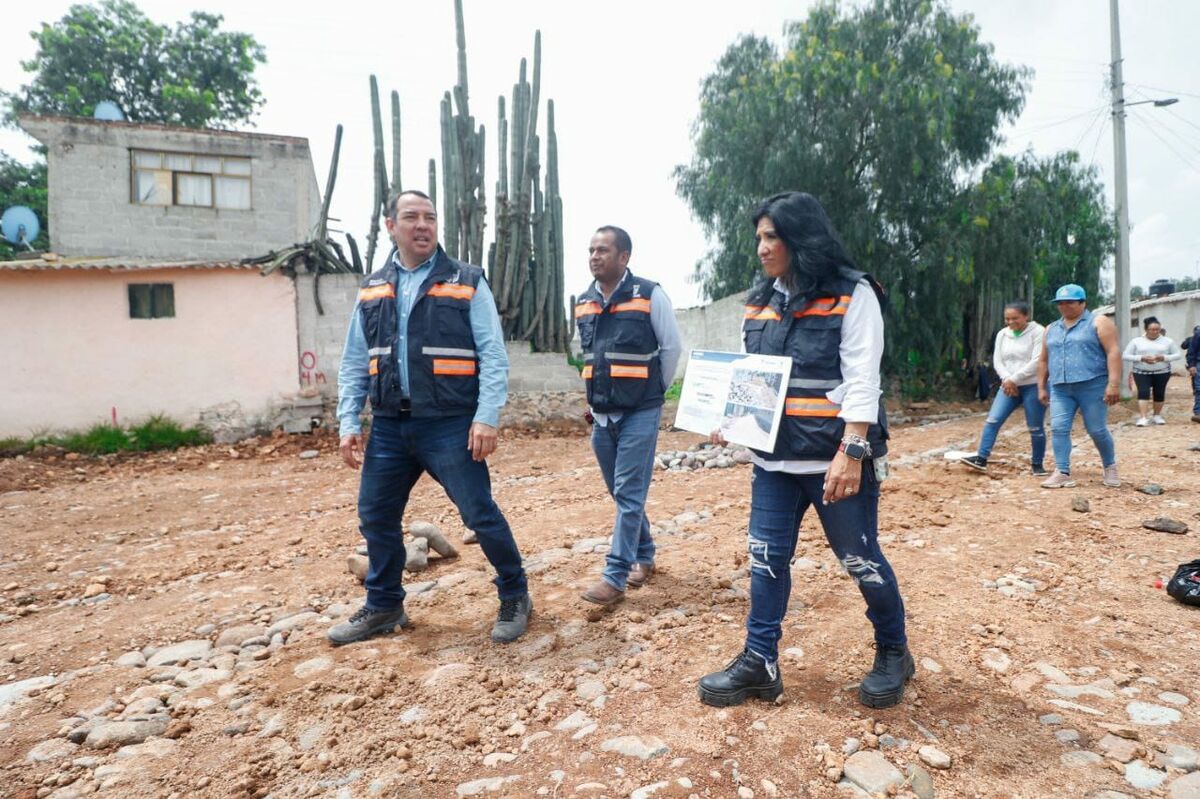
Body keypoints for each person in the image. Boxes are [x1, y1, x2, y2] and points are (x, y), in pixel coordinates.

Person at [697, 192, 912, 710]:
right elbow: (752, 375)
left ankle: (894, 651)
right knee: (765, 558)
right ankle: (759, 661)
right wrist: (730, 419)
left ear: (801, 237)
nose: (762, 248)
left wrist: (853, 451)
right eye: (759, 238)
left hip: (834, 459)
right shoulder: (761, 296)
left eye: (772, 237)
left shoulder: (853, 294)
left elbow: (863, 378)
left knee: (859, 557)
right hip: (774, 460)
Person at [329, 190, 532, 646]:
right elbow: (354, 361)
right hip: (388, 425)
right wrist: (348, 421)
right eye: (411, 217)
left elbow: (493, 355)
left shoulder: (466, 280)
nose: (422, 225)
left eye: (430, 217)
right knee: (375, 516)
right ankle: (383, 605)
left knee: (479, 514)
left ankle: (515, 594)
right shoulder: (373, 287)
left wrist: (487, 417)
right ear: (390, 226)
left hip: (450, 423)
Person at [575, 226, 682, 606]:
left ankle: (615, 575)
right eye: (590, 250)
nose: (594, 256)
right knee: (621, 494)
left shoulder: (650, 295)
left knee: (629, 493)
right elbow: (589, 358)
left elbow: (671, 349)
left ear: (624, 257)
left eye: (603, 250)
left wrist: (651, 393)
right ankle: (646, 551)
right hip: (601, 415)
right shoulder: (584, 301)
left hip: (640, 411)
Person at [1036, 284, 1122, 489]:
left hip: (1092, 384)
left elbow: (1113, 352)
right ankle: (1062, 471)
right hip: (1060, 387)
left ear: (1083, 303)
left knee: (1096, 429)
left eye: (1070, 302)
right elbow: (1043, 360)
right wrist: (1041, 386)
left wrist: (1113, 384)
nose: (1065, 306)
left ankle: (1110, 467)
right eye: (1060, 303)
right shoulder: (1051, 329)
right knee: (1058, 428)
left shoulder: (1098, 322)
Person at [957, 301, 1047, 474]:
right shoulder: (1003, 334)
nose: (1011, 322)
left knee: (1035, 426)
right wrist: (1007, 379)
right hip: (1008, 386)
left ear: (1026, 316)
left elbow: (1037, 361)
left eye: (1015, 318)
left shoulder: (1038, 332)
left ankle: (1037, 464)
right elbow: (998, 360)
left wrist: (1014, 379)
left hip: (1032, 385)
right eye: (1007, 319)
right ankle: (981, 458)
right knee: (993, 420)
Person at [1123, 316, 1184, 426]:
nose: (1156, 332)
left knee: (1159, 393)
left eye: (1158, 329)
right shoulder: (1136, 341)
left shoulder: (1168, 341)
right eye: (1152, 329)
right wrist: (1141, 358)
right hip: (1141, 372)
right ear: (1146, 330)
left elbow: (1178, 355)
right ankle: (1143, 417)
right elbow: (1126, 355)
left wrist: (1164, 358)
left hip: (1162, 372)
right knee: (1143, 392)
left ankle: (1157, 415)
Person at [1187, 322, 1200, 423]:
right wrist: (1192, 365)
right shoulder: (1198, 334)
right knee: (1199, 389)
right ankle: (1198, 413)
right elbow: (1192, 351)